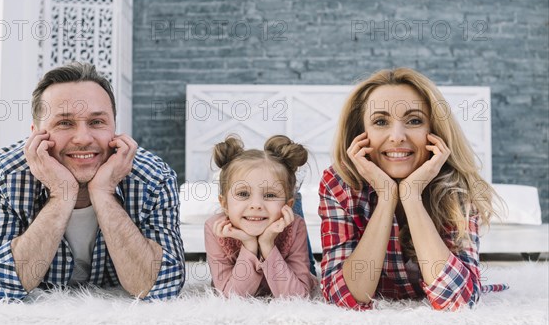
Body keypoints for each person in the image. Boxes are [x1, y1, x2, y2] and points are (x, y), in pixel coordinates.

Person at [0, 62, 185, 300]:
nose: (83, 138)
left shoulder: (154, 178)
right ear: (36, 133)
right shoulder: (3, 174)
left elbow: (163, 287)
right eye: (65, 123)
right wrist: (61, 194)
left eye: (96, 122)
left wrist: (104, 193)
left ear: (114, 128)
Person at [319, 67, 507, 311]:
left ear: (435, 132)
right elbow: (342, 298)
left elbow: (459, 301)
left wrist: (411, 196)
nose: (397, 136)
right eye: (380, 122)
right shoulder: (339, 183)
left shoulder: (455, 185)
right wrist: (387, 197)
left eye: (414, 120)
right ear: (360, 135)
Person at [204, 135, 318, 298]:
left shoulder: (295, 226)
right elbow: (231, 296)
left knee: (309, 274)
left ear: (289, 205)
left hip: (288, 255)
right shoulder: (215, 228)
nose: (256, 205)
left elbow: (297, 296)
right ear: (224, 204)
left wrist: (267, 244)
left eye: (270, 195)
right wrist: (249, 245)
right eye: (243, 193)